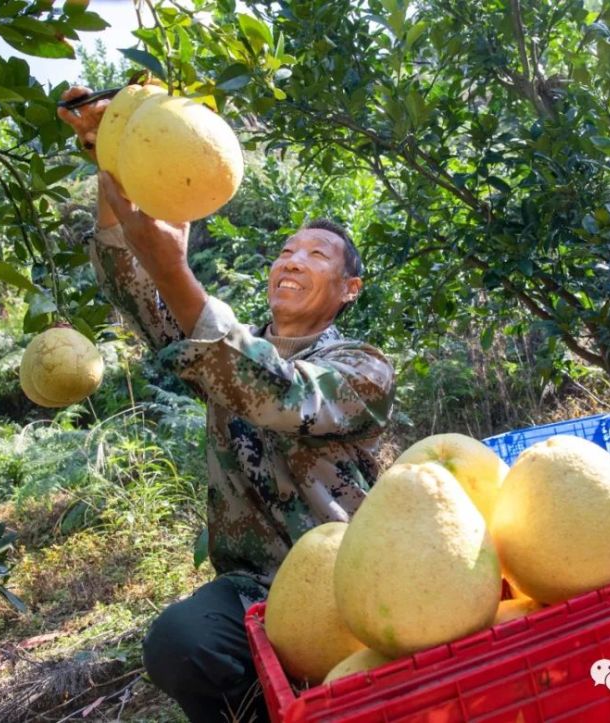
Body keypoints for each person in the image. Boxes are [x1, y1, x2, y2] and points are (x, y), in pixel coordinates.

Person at [58, 87, 395, 723]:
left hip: (353, 576)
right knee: (182, 644)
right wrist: (113, 158)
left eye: (316, 254)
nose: (292, 260)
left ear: (350, 289)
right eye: (286, 250)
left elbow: (276, 392)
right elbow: (142, 300)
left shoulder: (363, 366)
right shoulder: (228, 347)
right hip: (257, 588)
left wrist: (176, 273)